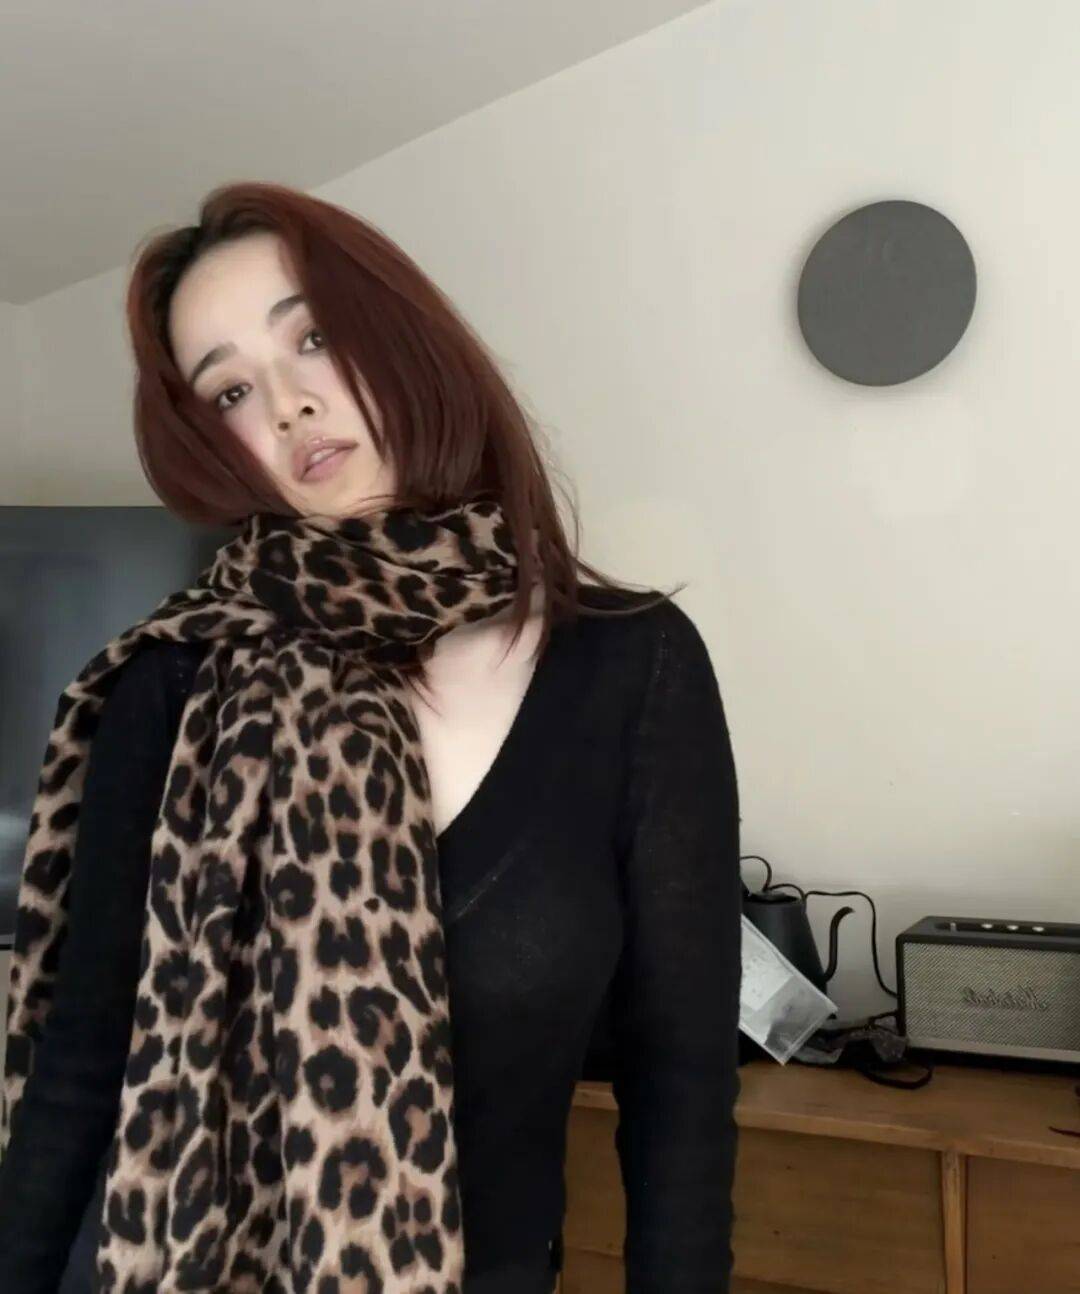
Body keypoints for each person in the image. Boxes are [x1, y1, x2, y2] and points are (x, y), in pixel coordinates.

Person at [0, 181, 742, 1294]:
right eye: (232, 390)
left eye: (313, 338)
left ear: (400, 335)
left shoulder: (631, 667)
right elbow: (78, 1075)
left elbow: (681, 1084)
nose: (289, 404)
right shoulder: (173, 681)